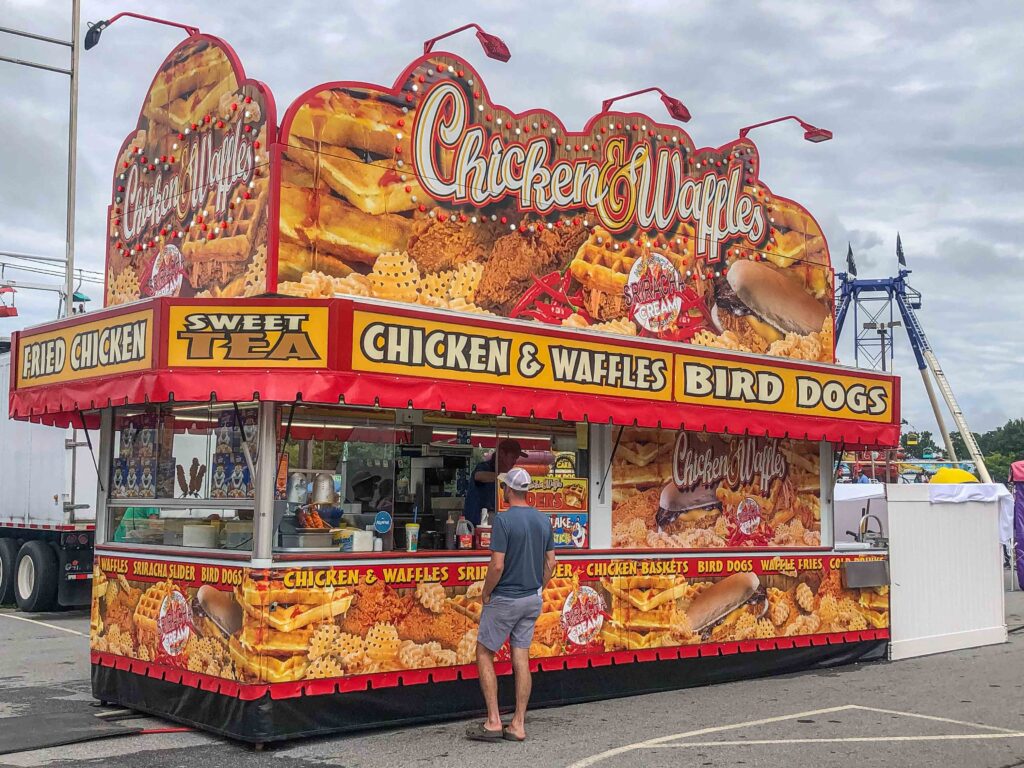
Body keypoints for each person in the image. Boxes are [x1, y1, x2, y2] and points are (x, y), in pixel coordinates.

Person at [467, 467, 556, 744]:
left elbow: (497, 565)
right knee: (521, 658)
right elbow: (552, 563)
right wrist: (539, 587)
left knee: (484, 653)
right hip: (531, 600)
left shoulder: (503, 521)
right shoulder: (543, 520)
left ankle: (493, 721)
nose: (502, 490)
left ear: (509, 490)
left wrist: (486, 592)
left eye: (504, 486)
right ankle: (518, 724)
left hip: (505, 598)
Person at [463, 439, 527, 526]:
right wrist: (503, 477)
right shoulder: (484, 467)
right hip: (477, 521)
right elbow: (479, 476)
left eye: (516, 458)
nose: (514, 461)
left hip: (498, 519)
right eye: (512, 457)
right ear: (501, 453)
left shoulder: (507, 474)